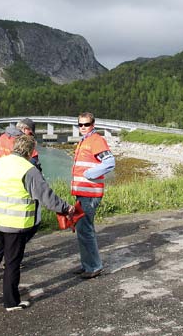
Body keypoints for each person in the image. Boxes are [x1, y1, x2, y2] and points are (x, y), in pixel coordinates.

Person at [0, 135, 74, 311]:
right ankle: (11, 303)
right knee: (12, 262)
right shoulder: (29, 169)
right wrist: (66, 208)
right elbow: (47, 197)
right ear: (29, 151)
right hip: (15, 223)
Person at [71, 112, 115, 279]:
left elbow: (110, 162)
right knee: (82, 230)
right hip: (82, 193)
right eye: (80, 125)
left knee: (86, 230)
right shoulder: (84, 141)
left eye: (86, 124)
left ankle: (94, 266)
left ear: (93, 124)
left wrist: (90, 174)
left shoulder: (96, 140)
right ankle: (87, 265)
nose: (83, 127)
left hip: (90, 194)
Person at [0, 117, 42, 245]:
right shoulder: (23, 142)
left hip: (1, 184)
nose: (31, 137)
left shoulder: (2, 138)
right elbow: (34, 165)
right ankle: (14, 252)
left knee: (3, 223)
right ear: (26, 129)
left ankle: (5, 251)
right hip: (20, 185)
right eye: (31, 133)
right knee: (33, 222)